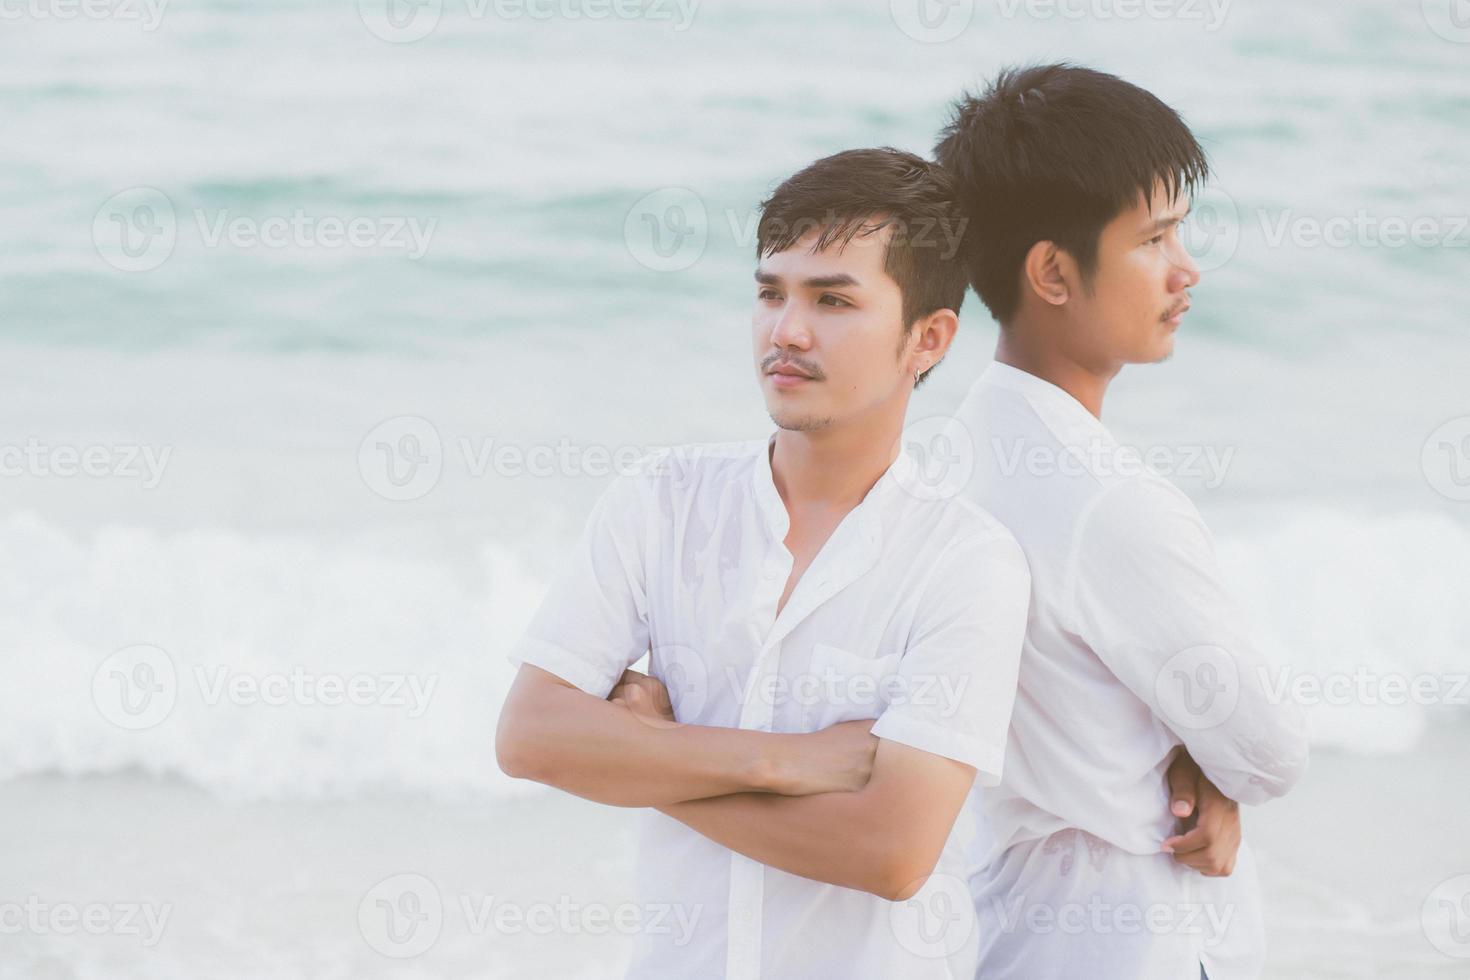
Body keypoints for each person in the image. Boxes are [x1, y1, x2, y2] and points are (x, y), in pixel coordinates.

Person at [496, 147, 1033, 979]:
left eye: (833, 300)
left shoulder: (967, 562)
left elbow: (892, 851)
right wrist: (781, 761)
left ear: (927, 338)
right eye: (770, 292)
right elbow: (531, 737)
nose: (786, 330)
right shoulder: (663, 501)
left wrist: (653, 755)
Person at [932, 63, 1311, 979]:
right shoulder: (1108, 504)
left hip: (1005, 925)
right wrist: (1213, 764)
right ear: (1054, 272)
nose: (1186, 269)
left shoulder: (942, 458)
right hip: (1131, 934)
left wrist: (1193, 750)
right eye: (1154, 239)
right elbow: (1268, 749)